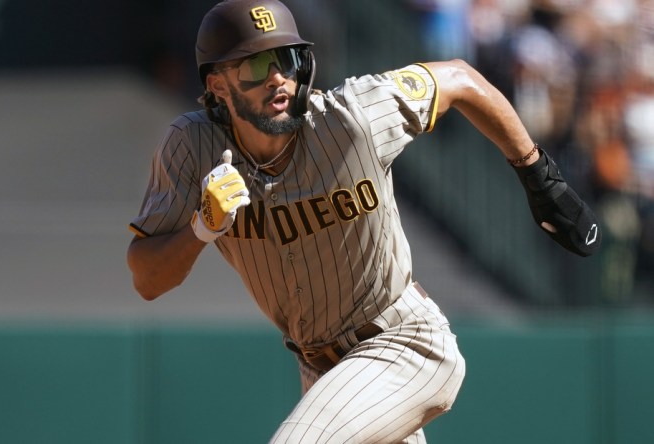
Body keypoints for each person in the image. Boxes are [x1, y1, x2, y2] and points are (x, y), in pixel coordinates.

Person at [127, 1, 601, 442]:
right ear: (217, 86)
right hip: (323, 371)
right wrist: (200, 229)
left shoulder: (350, 119)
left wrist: (539, 175)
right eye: (255, 66)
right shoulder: (191, 149)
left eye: (287, 60)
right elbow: (147, 280)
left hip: (405, 343)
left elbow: (459, 78)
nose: (278, 79)